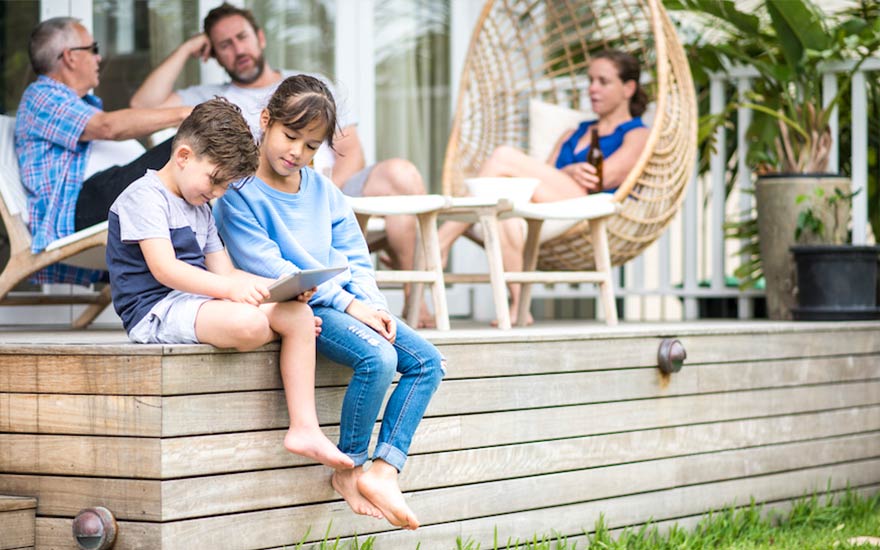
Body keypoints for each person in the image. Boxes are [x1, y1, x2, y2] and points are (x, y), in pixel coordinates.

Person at [214, 75, 445, 531]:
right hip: (304, 307)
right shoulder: (239, 196)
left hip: (345, 304)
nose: (297, 152)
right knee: (378, 358)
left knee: (428, 362)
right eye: (290, 136)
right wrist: (348, 305)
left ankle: (383, 471)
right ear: (266, 121)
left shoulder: (324, 191)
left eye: (311, 146)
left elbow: (356, 257)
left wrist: (372, 305)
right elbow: (273, 267)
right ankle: (349, 469)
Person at [130, 2, 441, 326]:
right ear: (213, 54)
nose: (238, 49)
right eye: (224, 44)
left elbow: (353, 152)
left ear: (260, 37)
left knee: (401, 173)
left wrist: (314, 200)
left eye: (242, 37)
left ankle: (413, 299)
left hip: (328, 186)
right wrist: (187, 48)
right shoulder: (214, 96)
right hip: (265, 200)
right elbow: (141, 105)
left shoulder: (310, 85)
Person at [105, 97, 353, 472]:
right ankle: (277, 332)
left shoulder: (201, 207)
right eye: (215, 180)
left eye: (226, 186)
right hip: (156, 311)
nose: (218, 193)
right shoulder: (144, 197)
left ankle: (305, 428)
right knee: (254, 323)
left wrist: (279, 288)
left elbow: (227, 273)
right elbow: (166, 270)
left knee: (299, 315)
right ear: (184, 156)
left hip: (198, 303)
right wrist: (237, 296)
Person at [439, 49, 650, 325]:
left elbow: (601, 178)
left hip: (586, 204)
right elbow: (545, 177)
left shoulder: (636, 133)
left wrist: (568, 172)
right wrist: (569, 171)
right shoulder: (573, 132)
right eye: (590, 80)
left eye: (603, 81)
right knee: (505, 216)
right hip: (550, 202)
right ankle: (519, 307)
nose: (592, 89)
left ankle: (442, 241)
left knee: (504, 156)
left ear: (628, 88)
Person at [14, 17, 192, 285]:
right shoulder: (42, 95)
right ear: (70, 57)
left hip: (94, 200)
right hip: (76, 209)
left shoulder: (76, 104)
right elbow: (108, 127)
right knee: (189, 146)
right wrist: (187, 114)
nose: (99, 59)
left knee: (196, 167)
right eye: (93, 49)